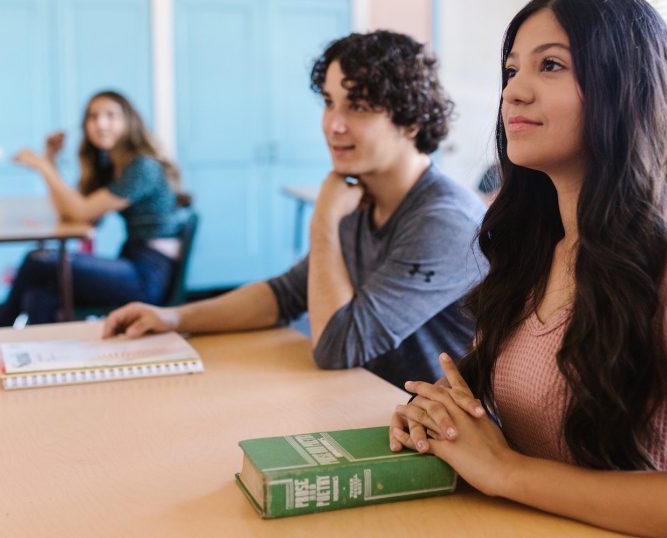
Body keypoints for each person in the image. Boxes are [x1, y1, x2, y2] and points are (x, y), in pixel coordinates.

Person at [389, 1, 667, 536]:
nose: (514, 91)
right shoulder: (532, 246)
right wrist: (445, 423)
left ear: (625, 87)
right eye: (511, 70)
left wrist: (507, 471)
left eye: (550, 65)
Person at [103, 31, 488, 388]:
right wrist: (174, 317)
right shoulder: (361, 196)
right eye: (328, 102)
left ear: (410, 121)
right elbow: (285, 294)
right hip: (369, 405)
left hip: (446, 440)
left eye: (357, 106)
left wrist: (323, 221)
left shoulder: (445, 220)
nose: (333, 124)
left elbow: (337, 348)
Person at [0, 90, 189, 327]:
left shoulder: (142, 168)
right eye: (93, 117)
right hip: (132, 262)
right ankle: (35, 358)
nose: (100, 124)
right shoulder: (112, 165)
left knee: (37, 261)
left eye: (110, 115)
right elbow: (72, 213)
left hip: (148, 275)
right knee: (40, 295)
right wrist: (50, 159)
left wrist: (44, 167)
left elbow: (81, 212)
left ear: (129, 121)